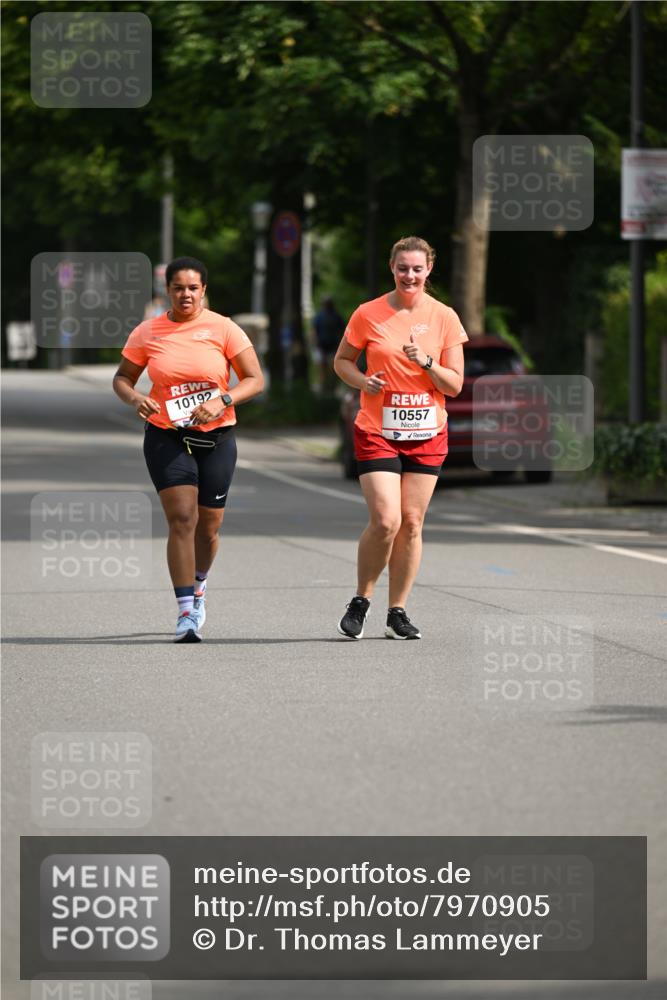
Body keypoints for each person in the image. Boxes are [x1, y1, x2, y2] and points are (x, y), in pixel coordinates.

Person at [113, 256, 264, 643]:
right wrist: (135, 399)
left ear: (203, 291)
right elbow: (122, 378)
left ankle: (199, 586)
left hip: (217, 437)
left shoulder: (224, 329)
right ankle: (184, 612)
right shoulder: (148, 332)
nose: (185, 294)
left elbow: (254, 379)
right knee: (182, 519)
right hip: (166, 434)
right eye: (178, 287)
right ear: (168, 290)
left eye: (193, 288)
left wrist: (223, 400)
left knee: (209, 527)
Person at [333, 236, 467, 640]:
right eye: (403, 268)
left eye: (417, 268)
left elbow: (456, 384)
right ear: (392, 268)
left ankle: (398, 612)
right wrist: (363, 380)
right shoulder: (368, 313)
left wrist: (426, 362)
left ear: (429, 270)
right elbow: (341, 362)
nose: (410, 275)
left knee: (411, 522)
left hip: (427, 431)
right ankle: (361, 600)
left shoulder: (444, 317)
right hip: (379, 430)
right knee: (387, 519)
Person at [313, 296, 345, 392]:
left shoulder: (335, 316)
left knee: (332, 368)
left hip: (332, 346)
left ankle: (331, 387)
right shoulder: (320, 317)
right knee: (323, 368)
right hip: (323, 346)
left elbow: (342, 331)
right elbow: (314, 331)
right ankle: (324, 387)